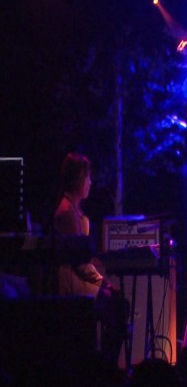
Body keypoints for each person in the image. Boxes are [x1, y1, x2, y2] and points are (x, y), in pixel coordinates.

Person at [53, 153, 128, 365]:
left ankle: (105, 364)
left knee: (119, 305)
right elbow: (80, 263)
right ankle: (105, 365)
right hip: (70, 284)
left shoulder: (73, 211)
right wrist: (103, 282)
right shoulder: (67, 213)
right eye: (87, 177)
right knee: (117, 307)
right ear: (78, 178)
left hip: (76, 279)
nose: (90, 182)